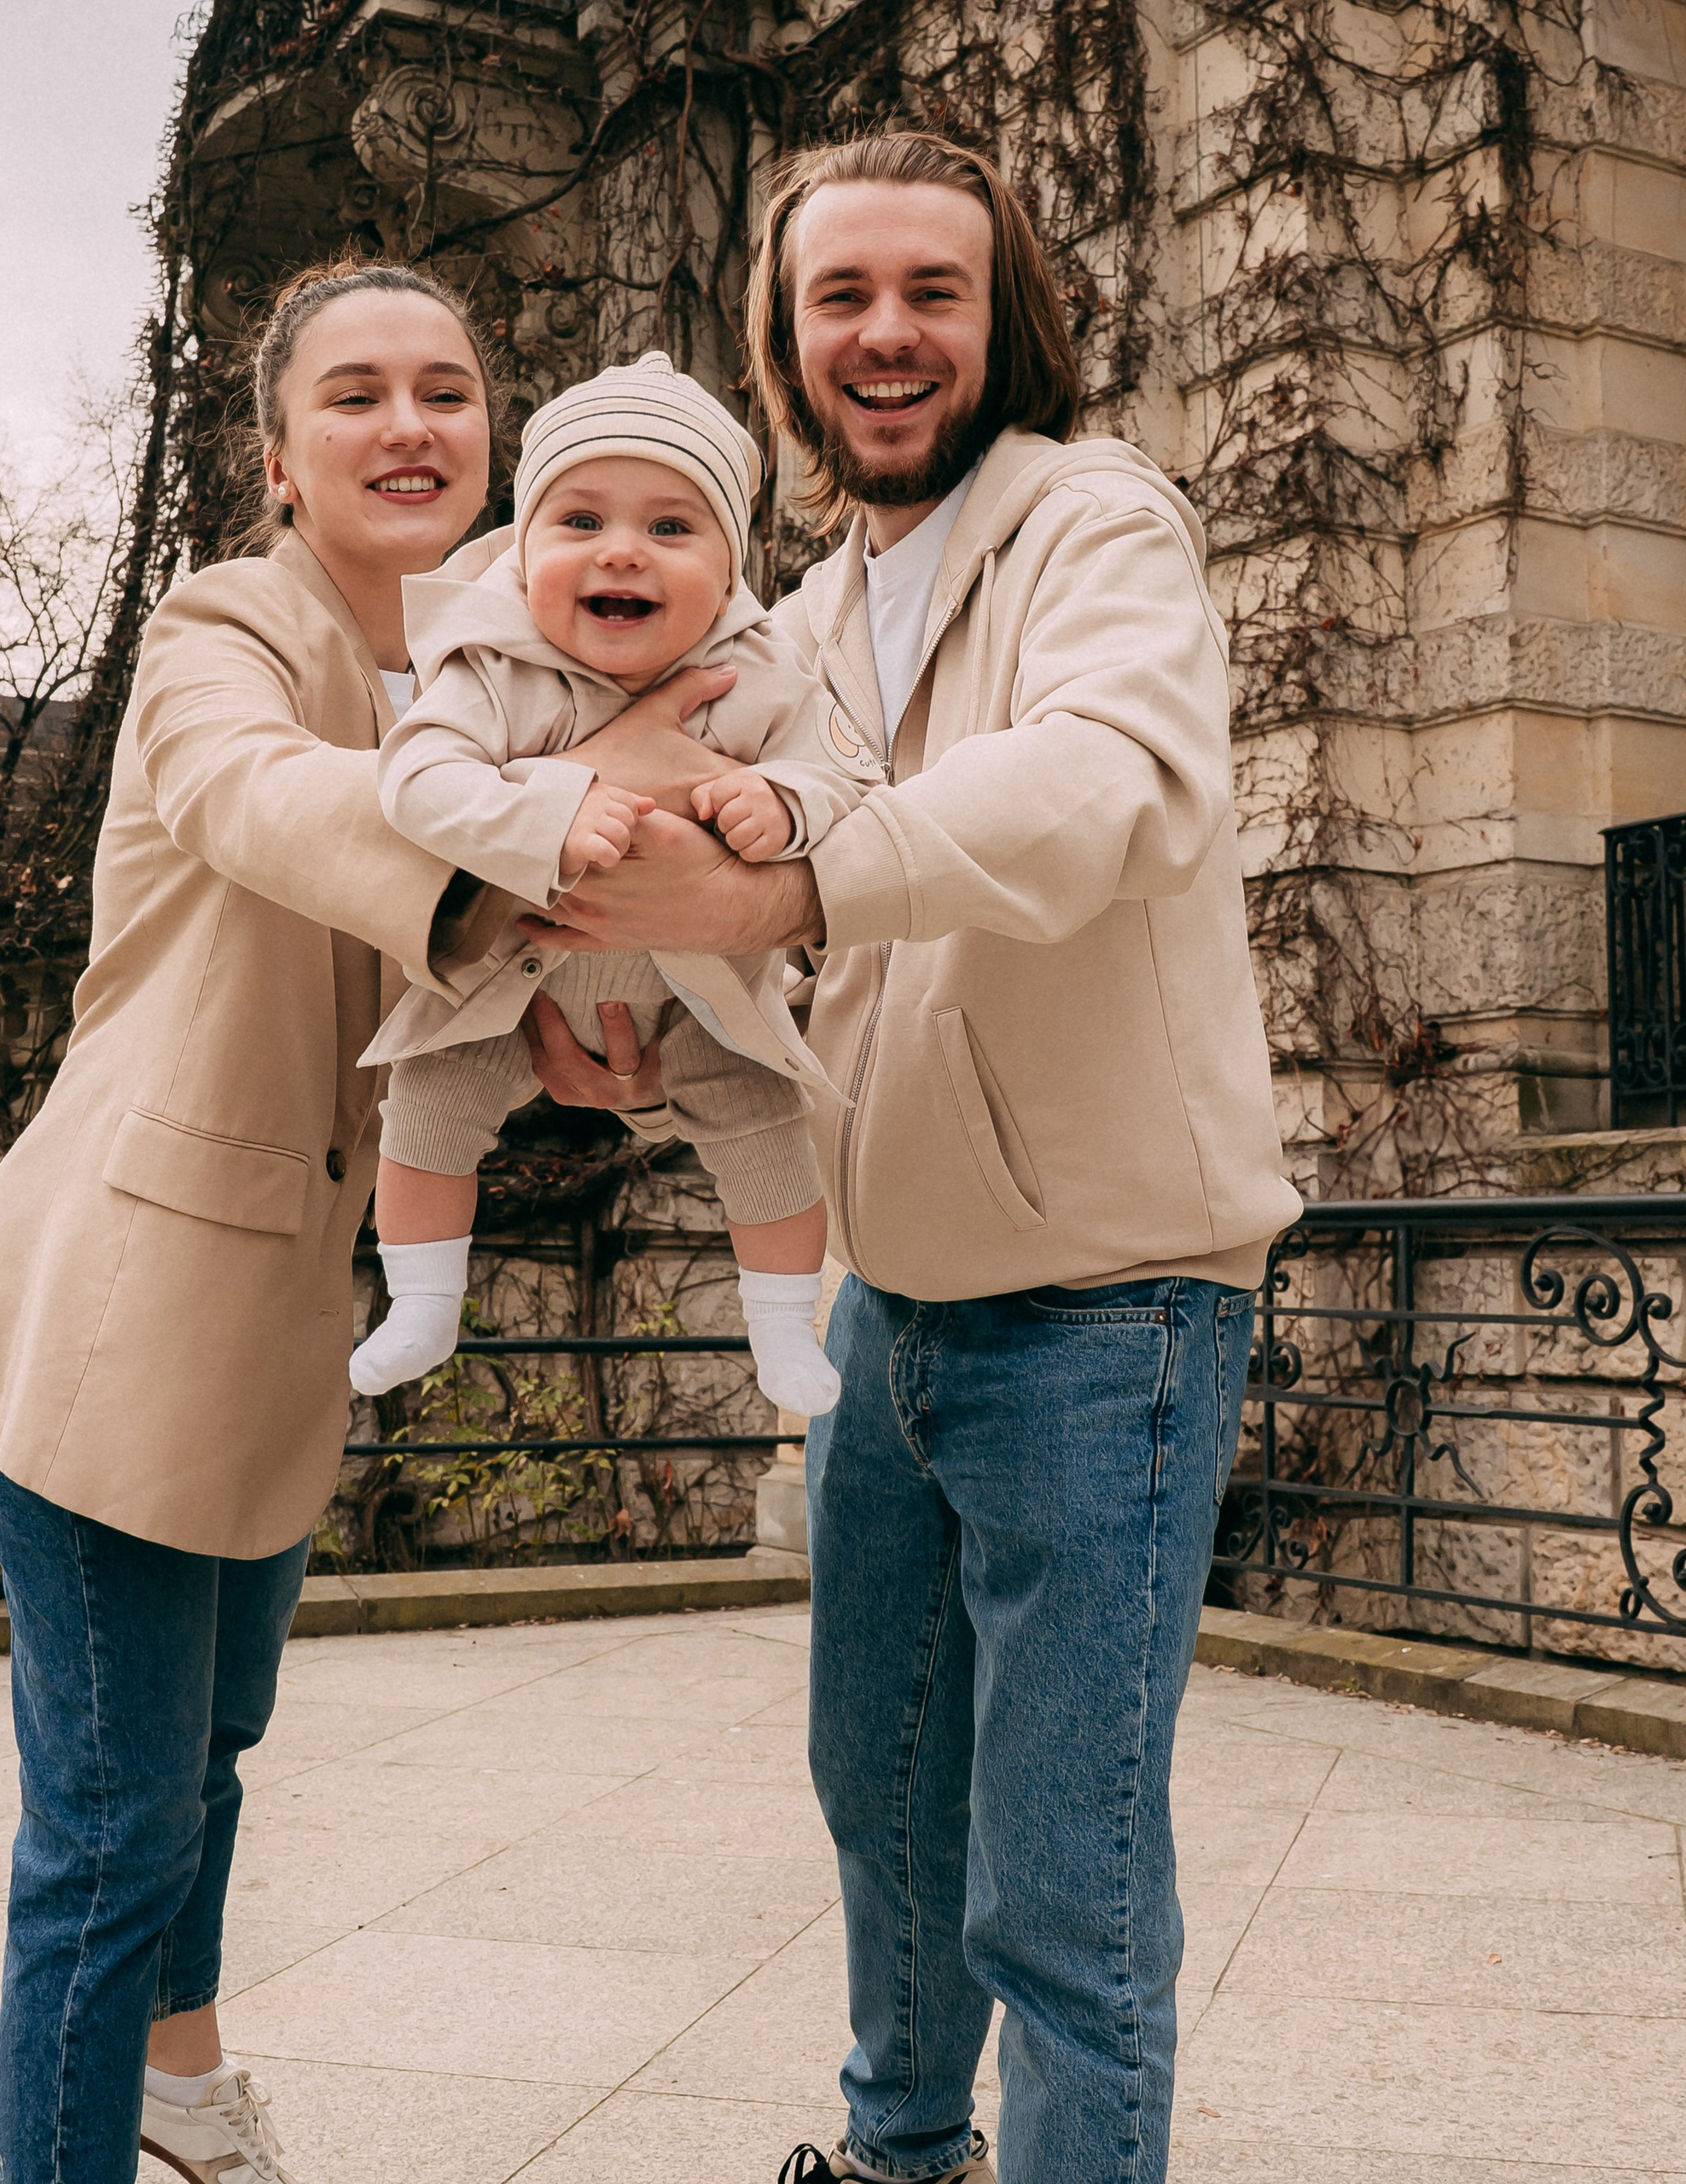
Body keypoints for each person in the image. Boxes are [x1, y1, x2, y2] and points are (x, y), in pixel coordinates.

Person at [519, 134, 1302, 2184]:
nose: (881, 335)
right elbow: (729, 902)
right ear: (781, 341)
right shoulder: (793, 610)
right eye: (836, 297)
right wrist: (611, 1011)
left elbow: (1097, 788)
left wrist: (803, 874)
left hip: (1109, 1298)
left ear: (999, 315)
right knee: (879, 1795)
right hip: (894, 1294)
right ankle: (892, 2157)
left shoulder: (1088, 522)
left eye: (926, 292)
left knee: (1060, 1882)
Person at [0, 262, 730, 2184]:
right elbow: (261, 800)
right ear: (279, 457)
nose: (410, 425)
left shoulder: (472, 677)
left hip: (269, 1317)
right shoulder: (226, 631)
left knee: (201, 1769)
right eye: (356, 394)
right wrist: (542, 821)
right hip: (118, 1303)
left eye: (446, 390)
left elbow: (406, 978)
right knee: (106, 1839)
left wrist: (548, 1026)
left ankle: (179, 2102)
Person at [346, 351, 874, 1416]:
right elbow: (415, 780)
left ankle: (780, 1330)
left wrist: (784, 803)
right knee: (430, 1107)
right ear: (524, 549)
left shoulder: (762, 672)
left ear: (729, 572)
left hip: (701, 994)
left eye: (671, 529)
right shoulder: (493, 668)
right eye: (579, 522)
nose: (622, 552)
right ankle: (420, 1301)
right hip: (511, 982)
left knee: (767, 1124)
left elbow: (848, 781)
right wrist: (550, 806)